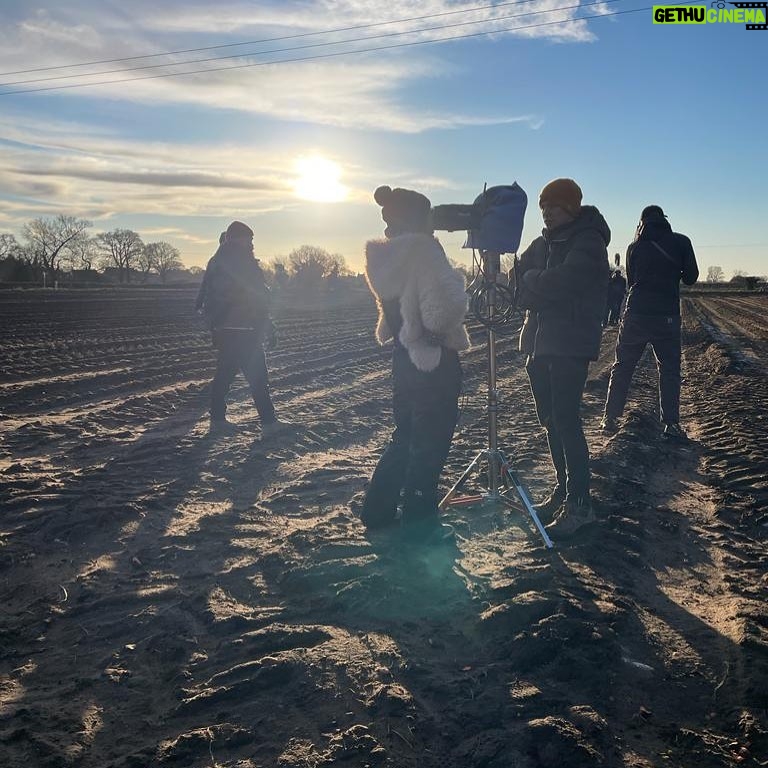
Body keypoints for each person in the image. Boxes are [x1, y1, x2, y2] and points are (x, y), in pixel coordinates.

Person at [360, 185, 470, 539]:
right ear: (421, 218)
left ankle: (377, 511)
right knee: (431, 443)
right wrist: (458, 282)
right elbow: (444, 310)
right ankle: (421, 524)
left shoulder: (383, 254)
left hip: (404, 358)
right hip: (433, 359)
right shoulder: (424, 250)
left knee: (405, 436)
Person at [514, 178, 610, 536]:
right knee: (551, 420)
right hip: (538, 343)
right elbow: (517, 279)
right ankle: (563, 489)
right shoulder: (543, 242)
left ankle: (580, 505)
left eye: (552, 207)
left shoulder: (588, 241)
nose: (547, 214)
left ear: (570, 207)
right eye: (543, 208)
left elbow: (564, 283)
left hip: (569, 344)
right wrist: (538, 283)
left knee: (567, 422)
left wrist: (536, 282)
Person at [601, 205, 698, 438]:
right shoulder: (682, 242)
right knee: (669, 370)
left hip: (636, 314)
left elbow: (632, 281)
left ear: (642, 222)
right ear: (665, 219)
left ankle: (610, 418)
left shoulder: (634, 247)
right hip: (667, 316)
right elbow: (691, 278)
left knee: (623, 367)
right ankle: (671, 425)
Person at [196, 221, 284, 435]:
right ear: (237, 238)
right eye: (249, 239)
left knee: (224, 375)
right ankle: (269, 423)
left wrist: (214, 325)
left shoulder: (217, 260)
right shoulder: (242, 261)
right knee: (258, 377)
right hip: (245, 328)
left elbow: (204, 294)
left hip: (226, 328)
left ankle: (217, 419)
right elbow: (257, 297)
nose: (251, 243)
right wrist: (267, 326)